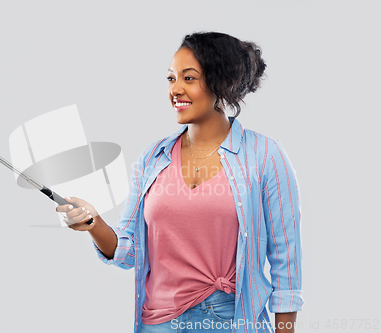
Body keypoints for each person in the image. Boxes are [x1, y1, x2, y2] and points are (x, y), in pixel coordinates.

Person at [56, 32, 303, 333]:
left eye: (189, 78)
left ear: (220, 82)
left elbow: (285, 263)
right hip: (157, 322)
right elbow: (129, 250)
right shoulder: (152, 158)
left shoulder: (265, 156)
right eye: (171, 79)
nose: (176, 89)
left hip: (227, 320)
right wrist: (94, 223)